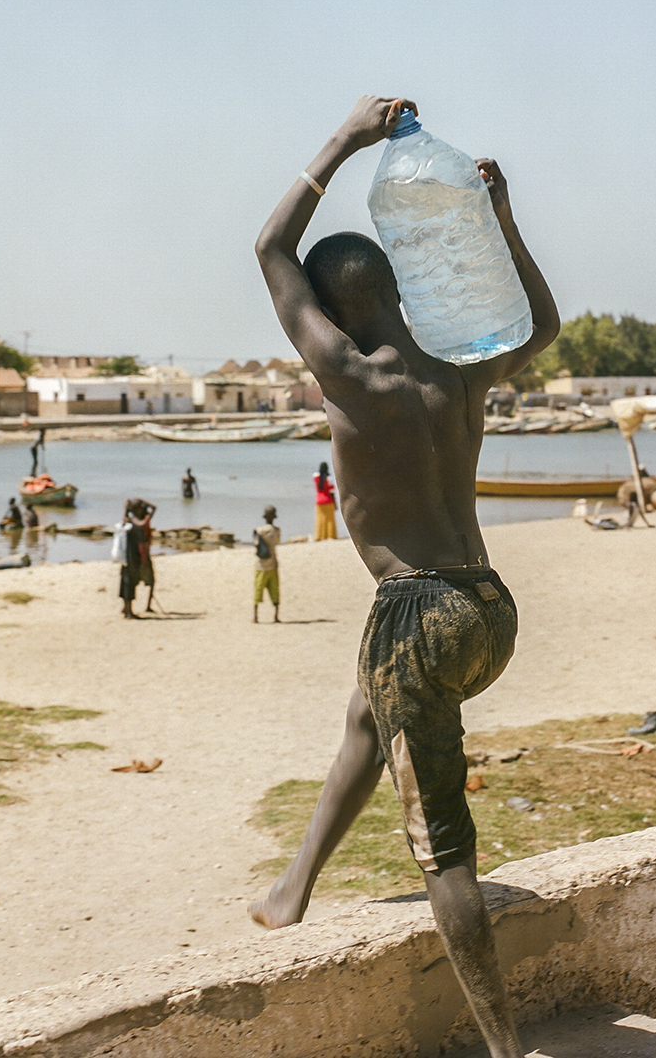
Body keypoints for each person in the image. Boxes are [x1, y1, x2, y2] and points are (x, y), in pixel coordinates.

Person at [251, 96, 559, 1058]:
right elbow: (542, 324)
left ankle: (504, 1049)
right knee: (367, 712)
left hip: (416, 612)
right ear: (396, 284)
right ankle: (294, 887)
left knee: (443, 850)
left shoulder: (351, 371)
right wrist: (501, 222)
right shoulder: (459, 368)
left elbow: (269, 248)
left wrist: (346, 141)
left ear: (332, 309)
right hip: (489, 607)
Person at [253, 505, 281, 623]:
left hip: (261, 564)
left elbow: (255, 543)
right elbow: (277, 542)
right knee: (275, 590)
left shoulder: (259, 530)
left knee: (258, 589)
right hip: (273, 563)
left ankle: (255, 616)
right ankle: (276, 616)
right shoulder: (277, 531)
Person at [129, 499, 157, 613]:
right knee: (133, 581)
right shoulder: (133, 519)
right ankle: (129, 606)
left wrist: (142, 501)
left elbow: (154, 508)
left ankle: (148, 606)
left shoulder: (142, 519)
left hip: (145, 553)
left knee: (152, 581)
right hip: (137, 555)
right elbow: (141, 525)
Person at [313, 461, 337, 540]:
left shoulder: (315, 476)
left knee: (320, 519)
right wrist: (335, 503)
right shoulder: (329, 478)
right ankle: (331, 535)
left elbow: (316, 477)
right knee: (330, 519)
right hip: (328, 500)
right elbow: (332, 492)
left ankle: (320, 536)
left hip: (319, 500)